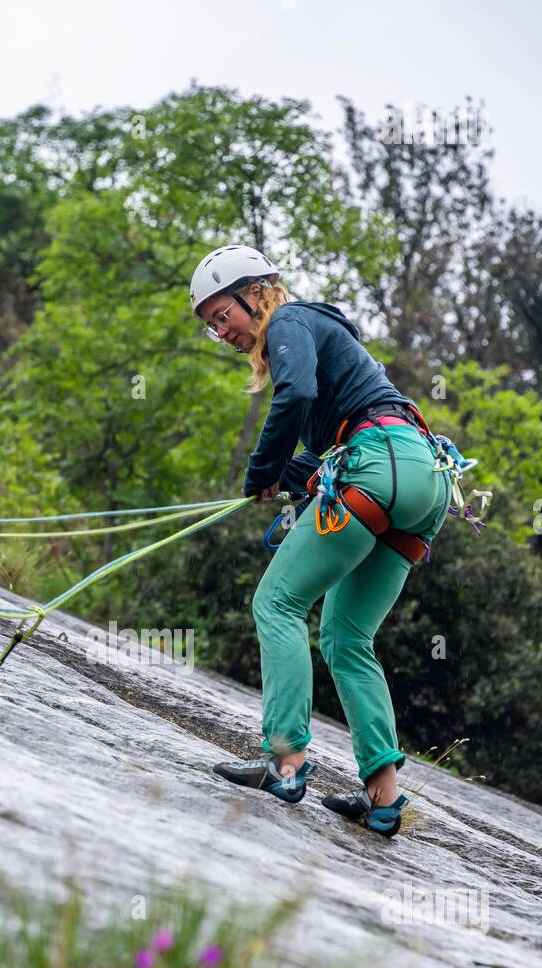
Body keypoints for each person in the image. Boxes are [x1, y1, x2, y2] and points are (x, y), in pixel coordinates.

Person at [190, 244, 451, 836]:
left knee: (277, 602)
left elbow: (296, 396)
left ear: (256, 293)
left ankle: (284, 761)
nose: (221, 332)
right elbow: (317, 451)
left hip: (377, 464)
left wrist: (260, 470)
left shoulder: (290, 319)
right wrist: (279, 477)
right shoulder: (325, 345)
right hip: (424, 479)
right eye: (210, 325)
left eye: (222, 315)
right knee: (347, 636)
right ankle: (384, 799)